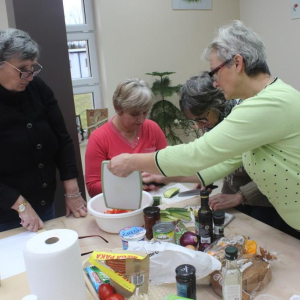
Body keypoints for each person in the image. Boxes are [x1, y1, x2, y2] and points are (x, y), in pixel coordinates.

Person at [108, 20, 300, 238]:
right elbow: (224, 162)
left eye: (214, 72)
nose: (215, 83)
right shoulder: (259, 102)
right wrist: (167, 175)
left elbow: (196, 155)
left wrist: (130, 161)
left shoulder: (269, 105)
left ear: (237, 63)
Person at [0, 28, 87, 233]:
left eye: (33, 68)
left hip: (43, 205)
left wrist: (72, 190)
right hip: (5, 216)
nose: (29, 76)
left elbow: (62, 140)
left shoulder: (38, 89)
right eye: (22, 68)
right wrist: (19, 204)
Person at [85, 78, 168, 197]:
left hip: (154, 200)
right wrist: (135, 183)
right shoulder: (99, 138)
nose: (141, 119)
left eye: (145, 112)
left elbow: (167, 166)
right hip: (120, 205)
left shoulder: (153, 128)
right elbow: (93, 188)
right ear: (118, 108)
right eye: (134, 114)